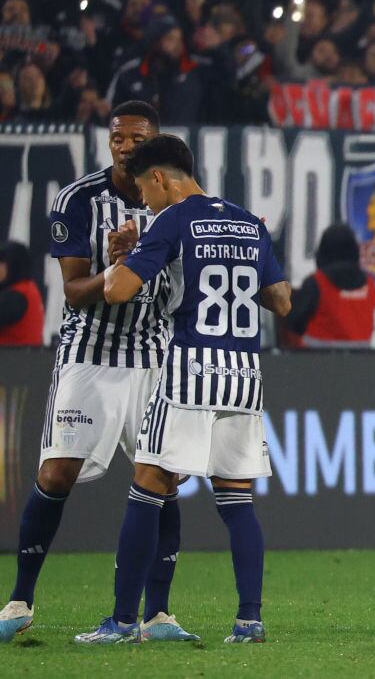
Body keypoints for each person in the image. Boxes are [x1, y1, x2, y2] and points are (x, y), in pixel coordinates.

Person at [75, 134, 291, 644]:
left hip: (190, 370)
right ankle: (249, 621)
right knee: (237, 500)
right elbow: (281, 300)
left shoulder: (172, 221)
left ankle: (124, 621)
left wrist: (128, 258)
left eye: (142, 191)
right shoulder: (246, 221)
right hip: (244, 376)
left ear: (159, 178)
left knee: (148, 485)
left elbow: (116, 290)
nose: (142, 201)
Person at [0, 101, 198, 644]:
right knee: (55, 475)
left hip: (153, 358)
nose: (125, 146)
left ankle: (158, 614)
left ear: (155, 144)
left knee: (165, 479)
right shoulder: (78, 200)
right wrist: (118, 266)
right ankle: (19, 600)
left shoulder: (177, 205)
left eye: (136, 139)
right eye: (117, 138)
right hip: (90, 355)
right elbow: (74, 293)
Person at [287, 223, 375, 347]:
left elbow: (295, 322)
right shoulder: (370, 284)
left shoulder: (316, 282)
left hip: (316, 360)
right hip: (361, 360)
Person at [0, 241, 44, 346]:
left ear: (13, 265)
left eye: (2, 262)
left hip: (13, 359)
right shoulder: (30, 289)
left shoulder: (16, 296)